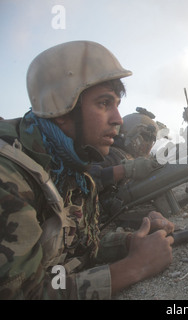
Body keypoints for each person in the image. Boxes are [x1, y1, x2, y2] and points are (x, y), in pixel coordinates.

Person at [0, 40, 174, 299]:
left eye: (116, 104)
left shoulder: (71, 168)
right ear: (61, 110)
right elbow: (23, 294)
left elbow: (79, 250)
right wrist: (134, 267)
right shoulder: (10, 177)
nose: (117, 119)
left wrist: (130, 242)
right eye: (104, 103)